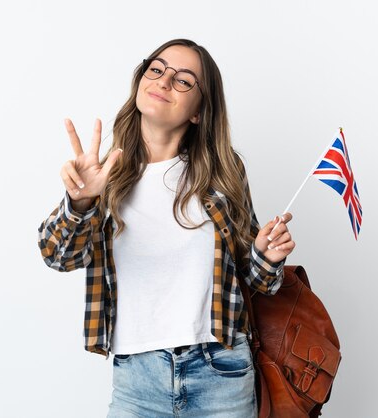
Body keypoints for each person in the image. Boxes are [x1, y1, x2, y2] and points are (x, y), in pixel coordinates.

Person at [37, 38, 295, 418]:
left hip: (220, 372)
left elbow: (255, 282)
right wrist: (80, 202)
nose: (164, 79)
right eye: (156, 69)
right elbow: (57, 256)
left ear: (198, 111)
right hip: (137, 380)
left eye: (184, 80)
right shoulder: (103, 175)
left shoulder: (223, 175)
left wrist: (267, 257)